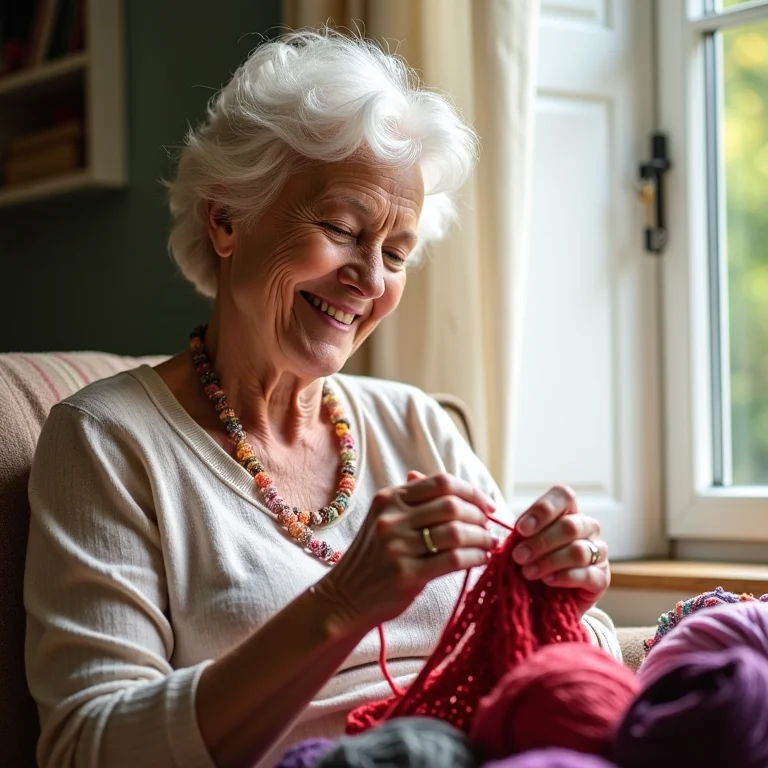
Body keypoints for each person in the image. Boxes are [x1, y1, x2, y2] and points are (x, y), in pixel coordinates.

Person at [24, 29, 617, 768]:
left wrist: (564, 596)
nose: (370, 279)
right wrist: (340, 605)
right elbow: (89, 747)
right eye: (341, 228)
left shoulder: (414, 423)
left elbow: (527, 661)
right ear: (227, 219)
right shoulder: (109, 439)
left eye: (395, 253)